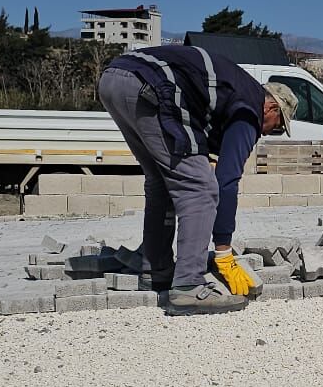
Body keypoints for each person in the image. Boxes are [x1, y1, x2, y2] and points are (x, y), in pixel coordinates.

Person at [96, 44, 298, 314]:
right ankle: (189, 286)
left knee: (161, 182)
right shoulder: (249, 107)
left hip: (116, 78)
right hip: (153, 84)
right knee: (200, 188)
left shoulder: (234, 88)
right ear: (271, 107)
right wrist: (224, 252)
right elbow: (226, 181)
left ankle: (156, 270)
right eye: (278, 126)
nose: (270, 132)